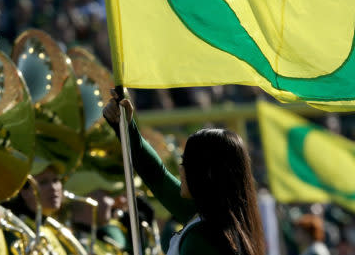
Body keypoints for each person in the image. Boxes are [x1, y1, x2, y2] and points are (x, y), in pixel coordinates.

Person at [102, 94, 266, 255]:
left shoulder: (201, 238)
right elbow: (156, 175)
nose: (181, 170)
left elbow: (157, 176)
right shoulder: (218, 219)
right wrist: (125, 126)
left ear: (207, 173)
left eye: (186, 164)